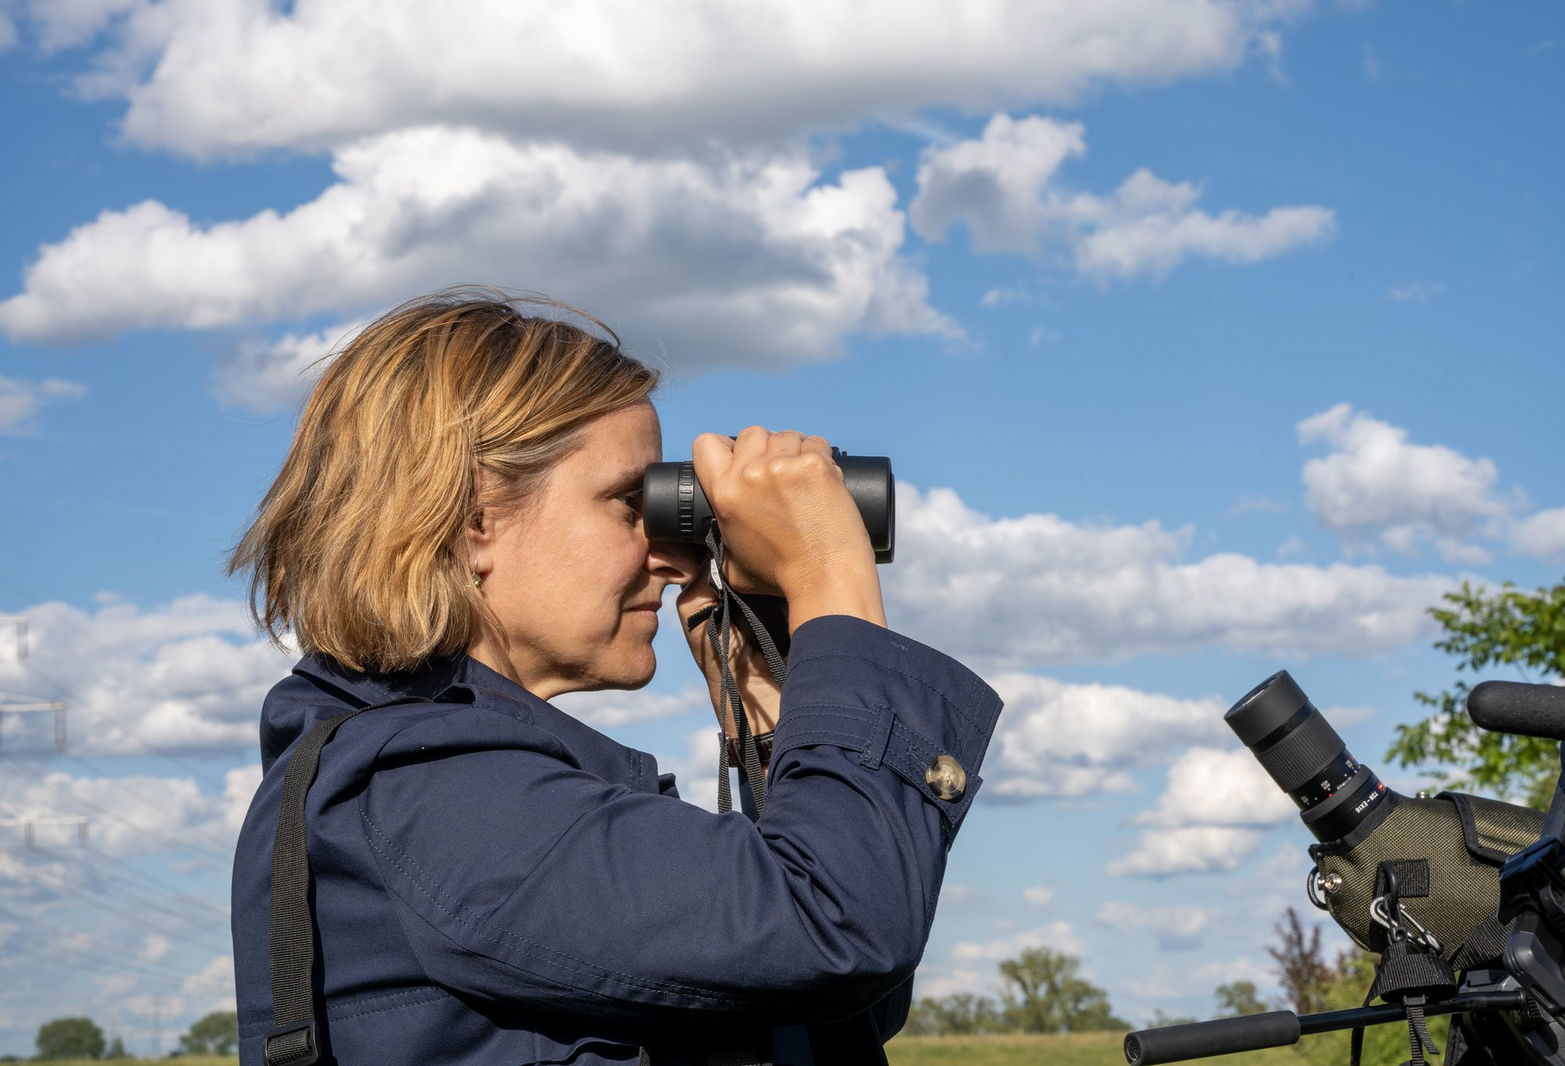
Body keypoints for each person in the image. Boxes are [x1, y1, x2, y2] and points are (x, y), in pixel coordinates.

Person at [228, 289, 1002, 1066]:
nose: (671, 559)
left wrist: (772, 713)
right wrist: (831, 580)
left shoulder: (442, 789)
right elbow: (843, 931)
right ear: (473, 522)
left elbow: (820, 1006)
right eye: (629, 505)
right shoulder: (424, 797)